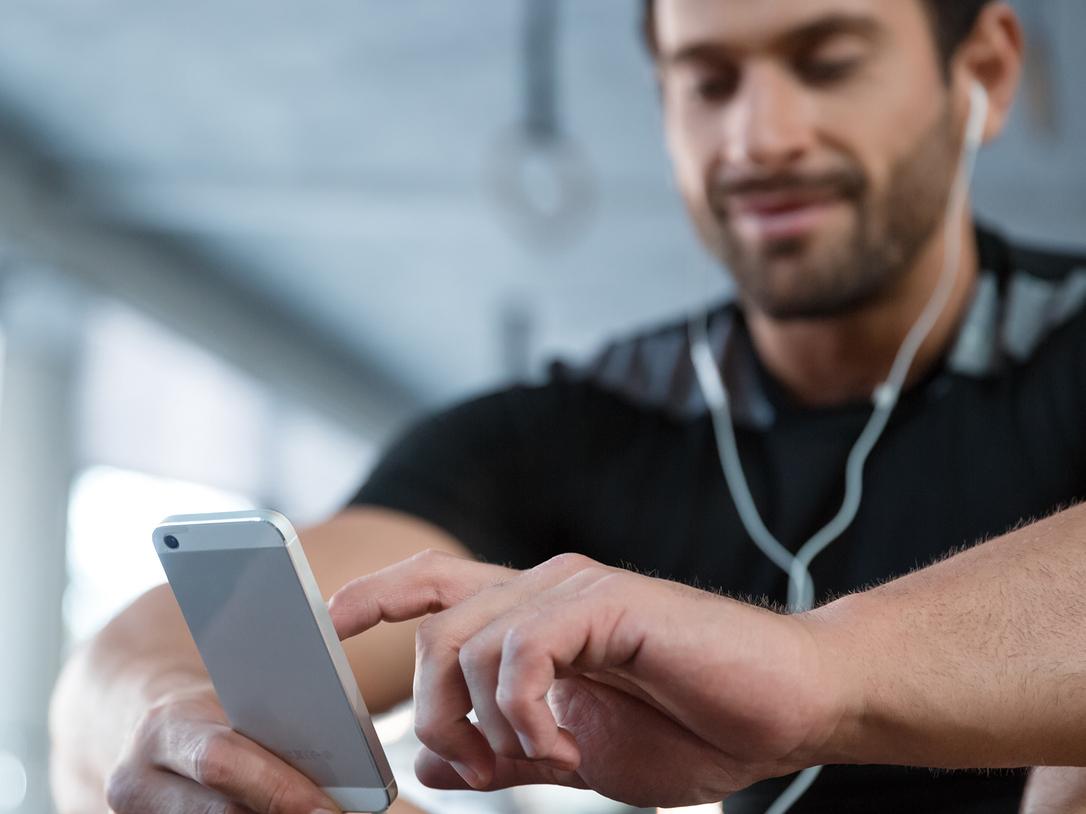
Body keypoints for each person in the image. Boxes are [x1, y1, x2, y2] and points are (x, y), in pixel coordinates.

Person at [48, 0, 1086, 812]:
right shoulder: (576, 426)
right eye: (708, 82)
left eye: (828, 63)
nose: (760, 135)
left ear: (984, 73)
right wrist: (178, 733)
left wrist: (810, 669)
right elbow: (121, 675)